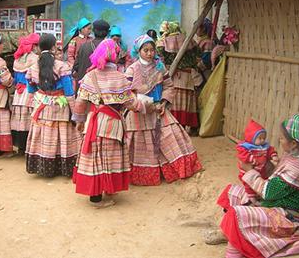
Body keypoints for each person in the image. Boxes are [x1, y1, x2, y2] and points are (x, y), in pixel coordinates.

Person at [209, 113, 299, 258]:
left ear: (294, 143)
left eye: (282, 138)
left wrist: (250, 171)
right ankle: (231, 234)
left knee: (235, 215)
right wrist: (267, 165)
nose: (279, 140)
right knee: (230, 192)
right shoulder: (295, 156)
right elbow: (275, 180)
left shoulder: (298, 168)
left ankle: (234, 247)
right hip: (276, 203)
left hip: (288, 219)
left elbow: (268, 192)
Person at [72, 39, 147, 208]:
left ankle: (95, 197)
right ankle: (107, 190)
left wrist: (79, 121)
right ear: (115, 55)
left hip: (94, 122)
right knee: (109, 158)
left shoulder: (90, 76)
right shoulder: (120, 78)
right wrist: (145, 106)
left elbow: (80, 102)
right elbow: (131, 104)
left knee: (94, 158)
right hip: (113, 124)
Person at [125, 34, 202, 185]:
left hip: (160, 110)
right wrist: (141, 104)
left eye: (152, 50)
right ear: (138, 51)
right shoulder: (132, 70)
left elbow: (168, 86)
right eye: (145, 50)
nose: (149, 53)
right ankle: (145, 174)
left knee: (169, 137)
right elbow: (127, 93)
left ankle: (176, 168)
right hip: (139, 114)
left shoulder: (160, 68)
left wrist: (164, 102)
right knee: (141, 144)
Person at [25, 34, 81, 177]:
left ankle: (43, 166)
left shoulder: (33, 67)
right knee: (62, 136)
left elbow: (31, 89)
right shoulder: (62, 66)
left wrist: (31, 103)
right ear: (52, 47)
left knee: (44, 136)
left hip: (42, 106)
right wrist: (75, 111)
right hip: (60, 107)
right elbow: (69, 92)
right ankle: (63, 167)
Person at [156, 21, 201, 129]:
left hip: (172, 76)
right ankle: (184, 126)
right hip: (187, 76)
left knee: (173, 101)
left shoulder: (164, 42)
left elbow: (158, 53)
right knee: (186, 102)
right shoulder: (189, 41)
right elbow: (199, 53)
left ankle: (173, 126)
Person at [11, 33, 40, 154]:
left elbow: (16, 78)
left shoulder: (18, 59)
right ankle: (30, 147)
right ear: (34, 46)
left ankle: (20, 147)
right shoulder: (35, 58)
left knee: (19, 119)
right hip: (30, 92)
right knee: (29, 119)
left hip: (18, 93)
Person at [236, 119, 278, 203]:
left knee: (263, 181)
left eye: (264, 138)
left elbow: (270, 150)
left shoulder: (264, 146)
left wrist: (273, 155)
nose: (262, 140)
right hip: (248, 169)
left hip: (262, 169)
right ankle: (252, 199)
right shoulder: (245, 147)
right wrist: (252, 159)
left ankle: (260, 194)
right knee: (249, 184)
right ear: (252, 138)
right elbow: (242, 155)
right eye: (260, 138)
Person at [72, 19, 110, 90]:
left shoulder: (84, 47)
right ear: (107, 33)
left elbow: (76, 67)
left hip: (85, 88)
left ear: (93, 30)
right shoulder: (111, 48)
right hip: (105, 90)